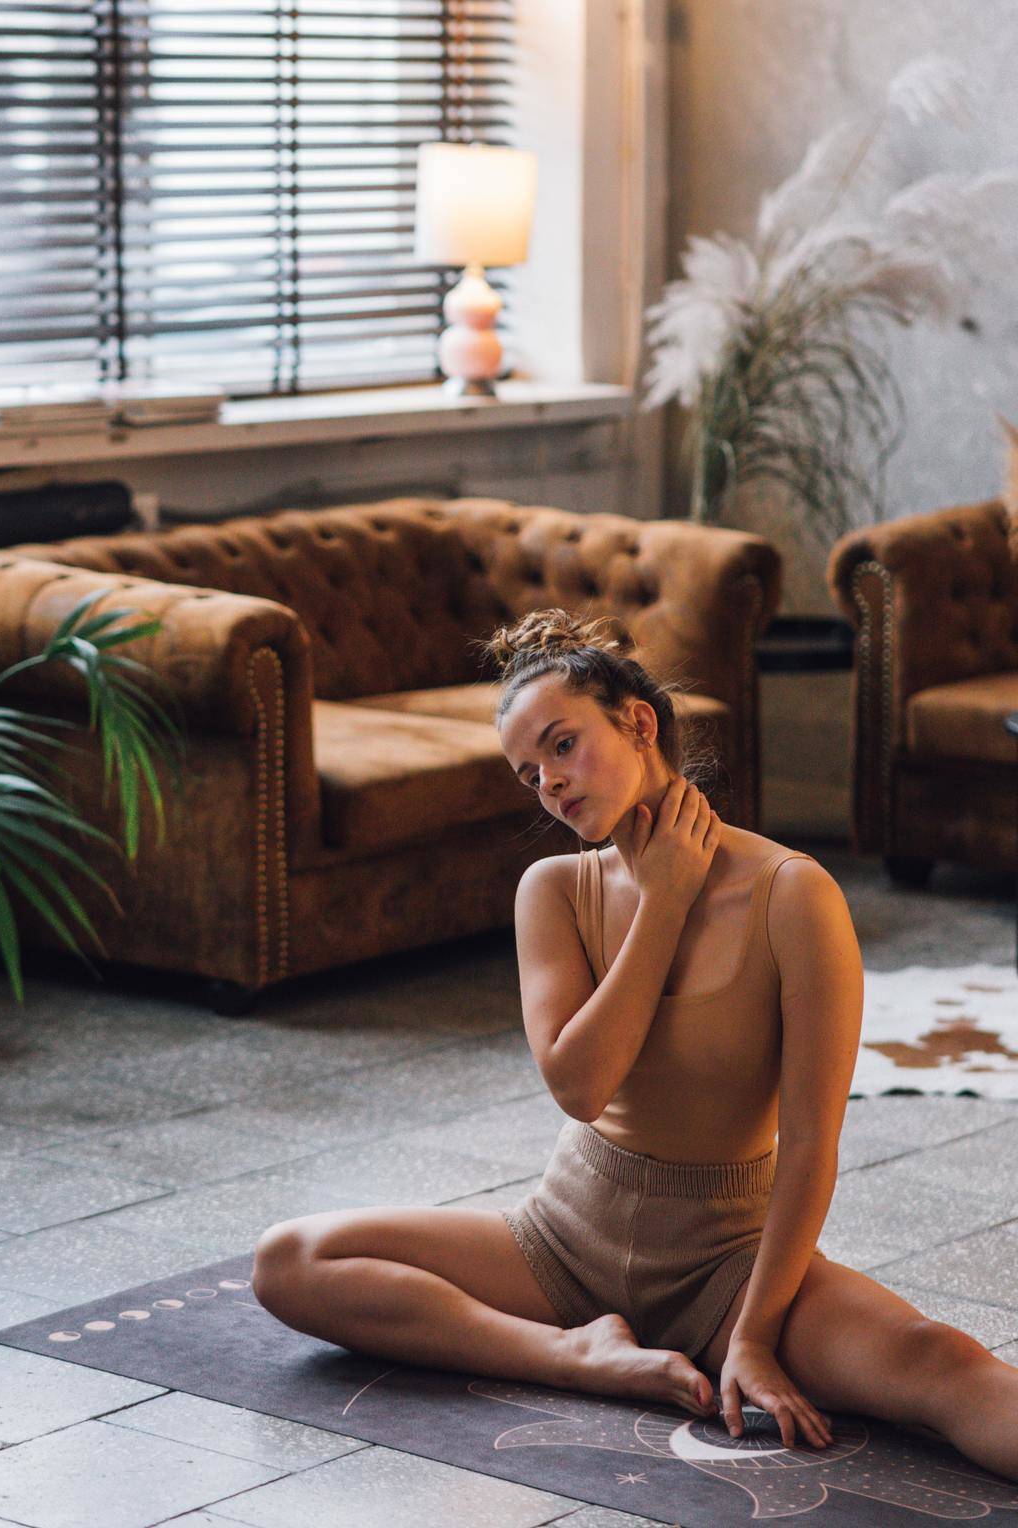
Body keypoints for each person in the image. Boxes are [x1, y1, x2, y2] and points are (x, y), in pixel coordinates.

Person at [252, 609, 1018, 1480]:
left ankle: (628, 1344)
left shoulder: (795, 896)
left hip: (730, 1264)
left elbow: (811, 1145)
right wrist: (663, 901)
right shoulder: (553, 891)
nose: (548, 781)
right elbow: (580, 1087)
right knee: (291, 1259)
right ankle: (573, 1356)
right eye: (529, 771)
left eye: (563, 745)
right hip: (565, 1239)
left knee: (941, 1361)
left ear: (638, 722)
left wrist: (757, 1337)